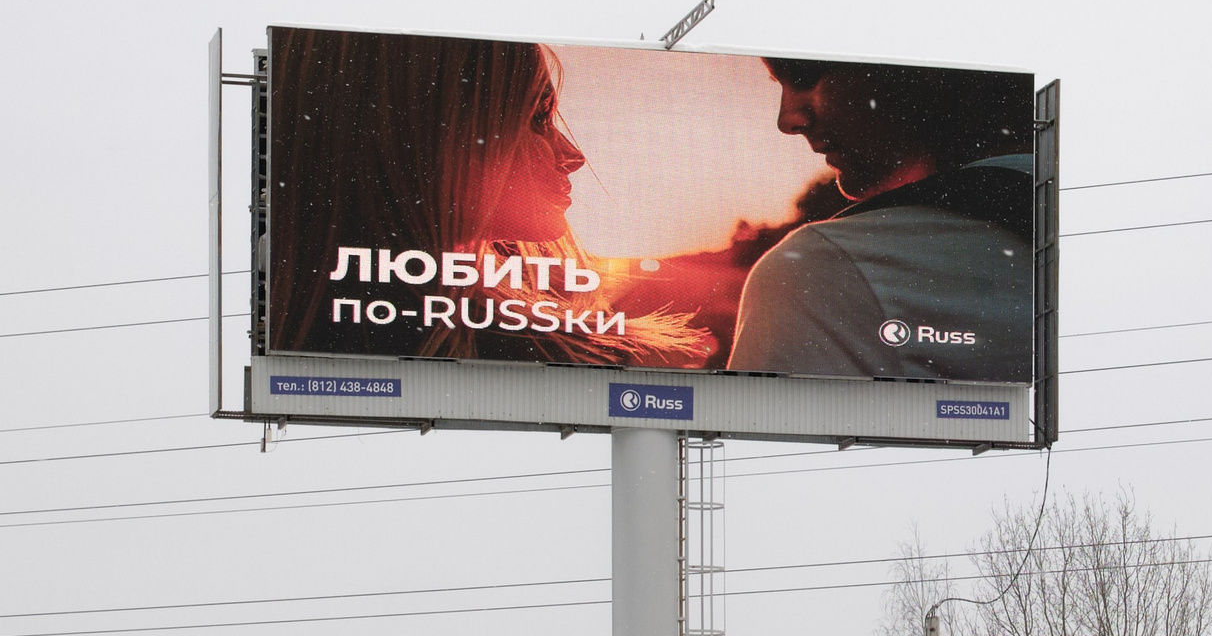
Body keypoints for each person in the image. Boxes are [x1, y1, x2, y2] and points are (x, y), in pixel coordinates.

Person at [270, 28, 713, 368]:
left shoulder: (304, 335)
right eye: (537, 117)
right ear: (428, 135)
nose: (573, 155)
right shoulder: (580, 358)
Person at [726, 58, 1033, 382]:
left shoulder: (819, 274)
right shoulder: (1061, 211)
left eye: (806, 76)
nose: (787, 120)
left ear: (919, 69)